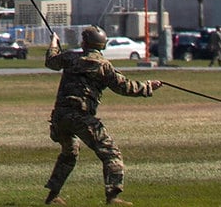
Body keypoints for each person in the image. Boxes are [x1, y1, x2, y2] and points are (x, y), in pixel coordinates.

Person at [43, 25, 158, 204]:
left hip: (60, 117)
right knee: (111, 153)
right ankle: (113, 196)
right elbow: (124, 87)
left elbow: (51, 61)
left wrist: (54, 43)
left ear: (84, 42)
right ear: (102, 45)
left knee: (69, 153)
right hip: (80, 117)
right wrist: (149, 86)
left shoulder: (71, 58)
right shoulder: (103, 65)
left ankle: (52, 196)